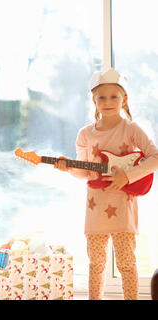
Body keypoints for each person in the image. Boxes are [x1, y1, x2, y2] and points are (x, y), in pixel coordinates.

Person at [54, 68, 158, 300]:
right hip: (95, 209)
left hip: (123, 208)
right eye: (102, 97)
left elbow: (155, 157)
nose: (108, 101)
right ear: (94, 100)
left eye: (114, 96)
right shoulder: (85, 134)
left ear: (125, 99)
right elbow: (85, 171)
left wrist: (127, 177)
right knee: (96, 263)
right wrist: (68, 167)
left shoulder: (131, 129)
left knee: (126, 263)